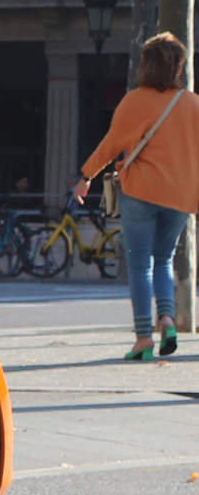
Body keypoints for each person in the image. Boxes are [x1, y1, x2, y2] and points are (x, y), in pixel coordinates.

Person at [75, 31, 199, 361]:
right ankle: (168, 320)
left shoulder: (135, 100)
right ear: (179, 66)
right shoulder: (193, 104)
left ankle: (144, 337)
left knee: (141, 263)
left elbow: (111, 144)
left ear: (145, 64)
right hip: (180, 196)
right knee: (165, 259)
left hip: (141, 191)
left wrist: (87, 176)